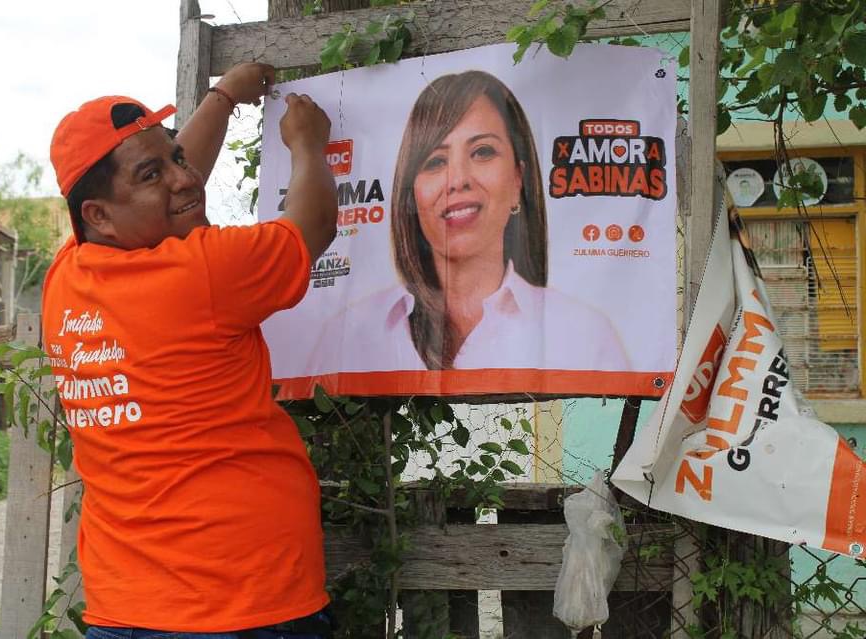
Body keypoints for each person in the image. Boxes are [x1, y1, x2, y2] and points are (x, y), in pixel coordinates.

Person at [41, 62, 338, 638]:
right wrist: (308, 146)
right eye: (153, 174)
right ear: (99, 215)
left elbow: (174, 179)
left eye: (174, 158)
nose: (183, 178)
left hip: (125, 608)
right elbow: (313, 225)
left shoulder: (67, 276)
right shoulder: (200, 274)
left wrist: (223, 98)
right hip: (244, 605)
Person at [305, 70, 628, 375]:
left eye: (483, 151)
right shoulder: (347, 335)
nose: (457, 180)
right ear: (411, 193)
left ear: (518, 180)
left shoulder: (584, 334)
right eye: (435, 161)